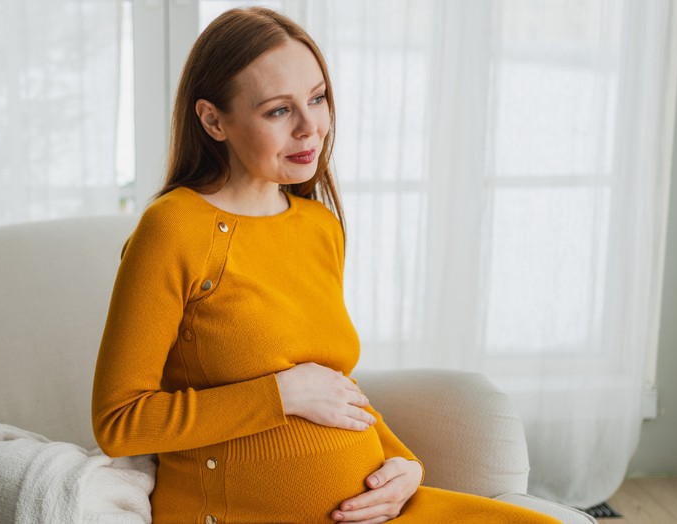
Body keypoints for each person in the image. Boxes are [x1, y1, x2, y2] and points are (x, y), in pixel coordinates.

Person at [92, 7, 561, 524]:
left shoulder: (319, 226)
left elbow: (333, 387)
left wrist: (403, 462)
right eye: (278, 111)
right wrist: (278, 395)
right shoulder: (174, 229)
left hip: (375, 509)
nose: (311, 127)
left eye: (317, 99)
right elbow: (120, 421)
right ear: (212, 120)